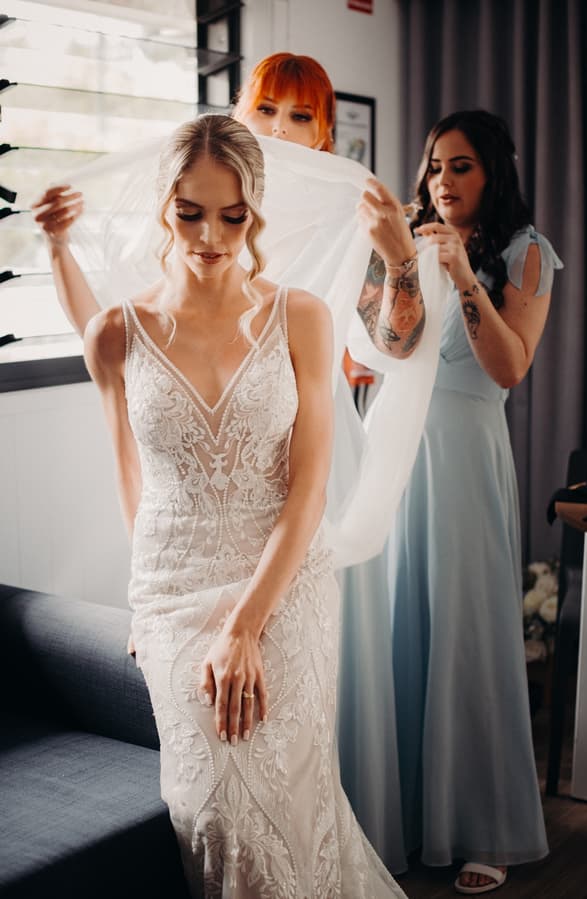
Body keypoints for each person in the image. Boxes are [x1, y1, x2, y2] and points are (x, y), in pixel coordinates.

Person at [32, 52, 444, 874]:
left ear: (256, 212)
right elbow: (129, 466)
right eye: (189, 215)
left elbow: (321, 468)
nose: (212, 238)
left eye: (233, 218)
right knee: (209, 811)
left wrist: (248, 625)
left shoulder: (305, 313)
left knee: (289, 804)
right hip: (173, 586)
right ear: (163, 209)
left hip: (284, 573)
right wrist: (147, 603)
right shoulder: (118, 329)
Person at [386, 109, 562, 894]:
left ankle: (483, 819)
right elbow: (390, 348)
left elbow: (508, 367)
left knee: (467, 630)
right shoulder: (413, 240)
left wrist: (461, 276)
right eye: (434, 167)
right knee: (403, 626)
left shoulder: (528, 255)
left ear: (492, 172)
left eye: (460, 167)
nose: (443, 182)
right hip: (399, 449)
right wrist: (396, 268)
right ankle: (407, 812)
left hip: (466, 452)